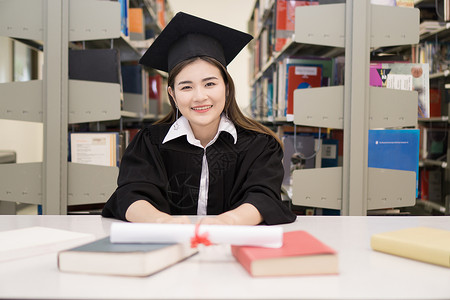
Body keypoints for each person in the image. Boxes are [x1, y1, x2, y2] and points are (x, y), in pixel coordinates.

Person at [102, 12, 296, 225]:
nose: (199, 96)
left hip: (232, 247)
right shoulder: (149, 142)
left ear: (227, 88)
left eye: (210, 83)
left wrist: (227, 222)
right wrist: (162, 222)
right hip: (166, 247)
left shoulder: (259, 145)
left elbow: (264, 197)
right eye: (186, 87)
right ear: (173, 95)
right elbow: (131, 193)